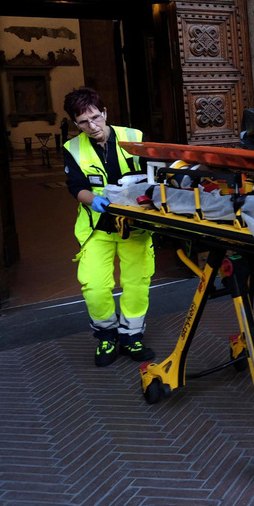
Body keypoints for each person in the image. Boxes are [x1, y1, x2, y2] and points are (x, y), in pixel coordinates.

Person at [62, 87, 156, 367]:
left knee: (136, 283)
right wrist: (94, 200)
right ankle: (106, 335)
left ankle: (132, 335)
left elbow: (153, 173)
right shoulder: (72, 148)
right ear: (75, 123)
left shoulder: (134, 137)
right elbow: (75, 186)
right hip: (97, 228)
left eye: (95, 118)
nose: (92, 126)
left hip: (134, 225)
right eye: (83, 122)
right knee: (94, 285)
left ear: (105, 113)